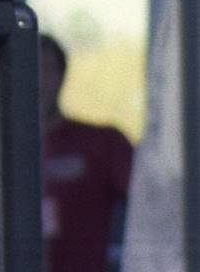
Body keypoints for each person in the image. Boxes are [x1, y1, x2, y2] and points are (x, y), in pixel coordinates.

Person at [40, 34, 135, 272]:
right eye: (29, 66)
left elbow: (156, 204)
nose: (38, 79)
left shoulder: (102, 143)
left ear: (62, 76)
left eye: (47, 68)